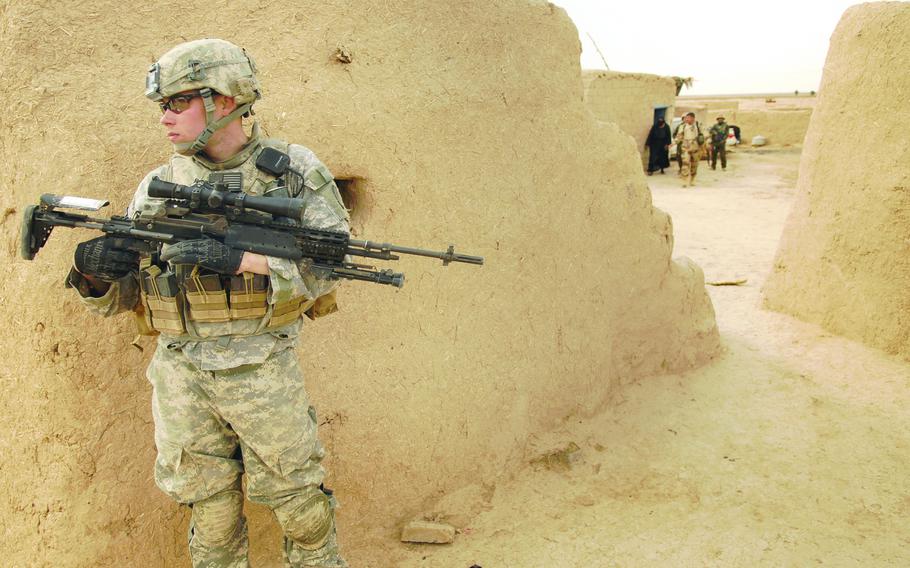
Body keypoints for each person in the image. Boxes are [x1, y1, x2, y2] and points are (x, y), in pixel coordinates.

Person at [65, 38, 350, 567]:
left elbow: (333, 262)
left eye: (177, 103)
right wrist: (94, 274)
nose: (165, 119)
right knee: (210, 517)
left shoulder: (290, 171)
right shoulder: (159, 184)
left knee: (301, 510)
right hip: (181, 375)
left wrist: (242, 260)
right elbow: (130, 295)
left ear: (222, 100)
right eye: (162, 107)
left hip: (260, 367)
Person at [674, 112, 704, 187]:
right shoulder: (683, 126)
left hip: (695, 147)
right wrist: (675, 142)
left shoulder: (698, 125)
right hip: (686, 147)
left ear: (693, 118)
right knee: (685, 164)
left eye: (688, 118)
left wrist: (703, 146)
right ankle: (684, 181)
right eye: (686, 118)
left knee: (694, 165)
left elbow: (703, 136)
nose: (686, 119)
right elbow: (679, 136)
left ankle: (692, 180)